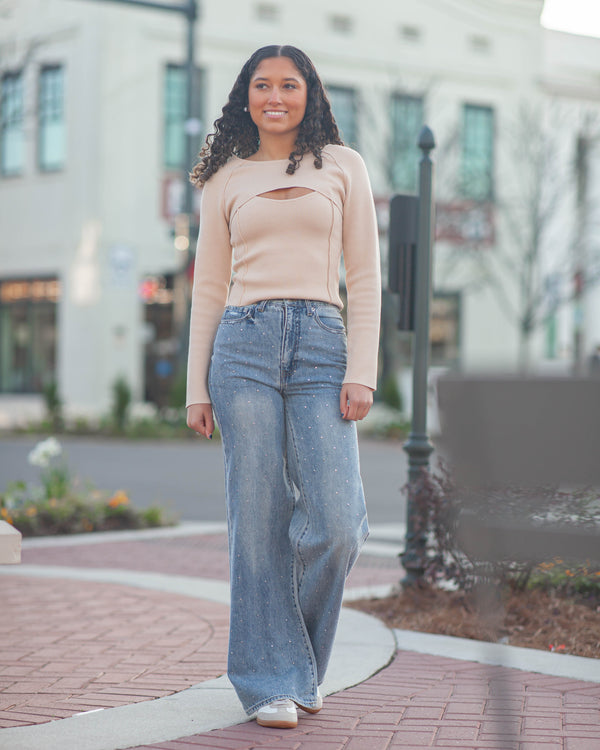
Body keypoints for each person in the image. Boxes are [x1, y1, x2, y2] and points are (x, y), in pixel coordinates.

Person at [186, 44, 381, 729]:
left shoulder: (344, 166)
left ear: (310, 92)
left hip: (324, 345)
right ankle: (270, 679)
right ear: (246, 96)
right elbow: (208, 285)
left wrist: (363, 371)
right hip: (241, 346)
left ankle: (292, 660)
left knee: (335, 521)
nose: (275, 95)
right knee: (258, 516)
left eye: (288, 84)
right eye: (262, 85)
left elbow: (365, 278)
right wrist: (194, 387)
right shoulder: (226, 178)